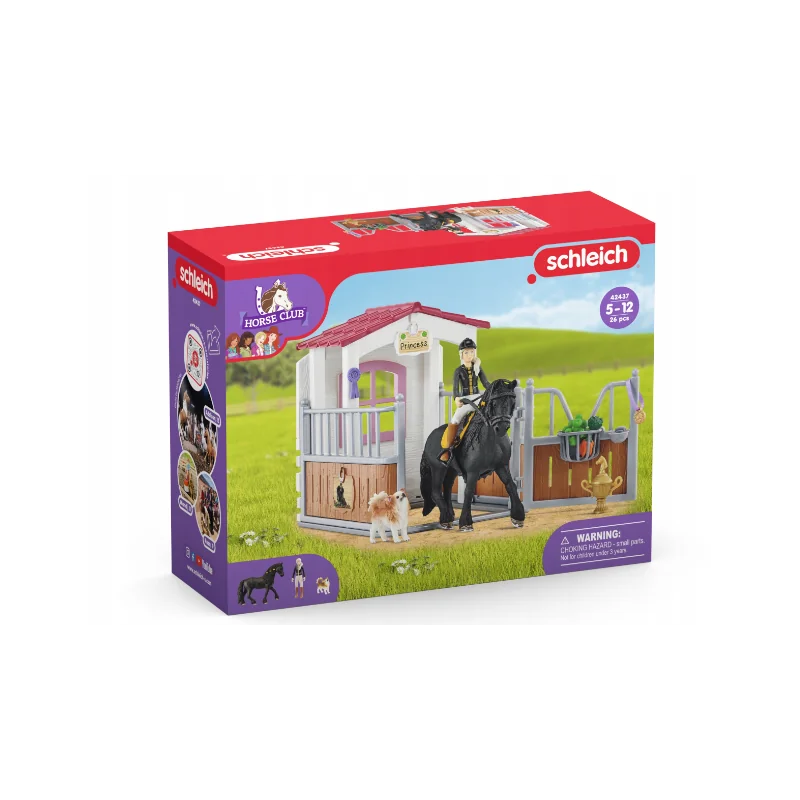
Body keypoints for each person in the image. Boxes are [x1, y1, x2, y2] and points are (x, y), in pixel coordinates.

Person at [439, 337, 490, 462]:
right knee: (455, 419)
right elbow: (455, 387)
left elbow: (485, 383)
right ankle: (448, 448)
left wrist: (493, 389)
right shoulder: (458, 371)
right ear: (461, 354)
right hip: (465, 400)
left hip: (477, 398)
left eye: (472, 352)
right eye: (466, 352)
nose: (469, 355)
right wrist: (456, 398)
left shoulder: (478, 368)